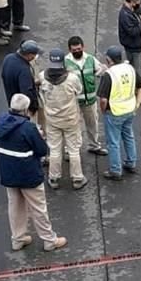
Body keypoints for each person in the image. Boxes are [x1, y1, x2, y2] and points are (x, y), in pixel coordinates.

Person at [0, 93, 67, 252]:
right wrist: (39, 135)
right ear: (26, 110)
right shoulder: (28, 127)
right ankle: (49, 240)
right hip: (28, 174)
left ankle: (17, 238)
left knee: (15, 206)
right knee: (39, 208)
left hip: (8, 173)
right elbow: (41, 150)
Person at [97, 45, 141, 181]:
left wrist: (103, 111)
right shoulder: (130, 69)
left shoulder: (109, 75)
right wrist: (137, 103)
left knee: (113, 142)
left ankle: (115, 170)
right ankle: (131, 162)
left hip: (114, 112)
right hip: (130, 109)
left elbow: (103, 99)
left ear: (108, 59)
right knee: (128, 136)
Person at [40, 49, 86, 190]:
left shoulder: (42, 76)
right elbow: (79, 91)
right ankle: (77, 178)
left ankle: (53, 178)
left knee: (54, 149)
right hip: (70, 118)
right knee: (73, 149)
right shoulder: (72, 78)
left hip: (52, 119)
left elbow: (41, 92)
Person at [65, 36, 108, 156]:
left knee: (93, 124)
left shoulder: (90, 59)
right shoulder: (65, 62)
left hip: (90, 100)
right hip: (74, 102)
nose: (77, 51)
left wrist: (103, 70)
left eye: (79, 49)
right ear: (69, 50)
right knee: (72, 127)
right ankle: (70, 151)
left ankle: (94, 146)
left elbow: (99, 71)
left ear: (83, 47)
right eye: (74, 50)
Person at [1, 39, 43, 118]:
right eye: (34, 54)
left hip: (12, 102)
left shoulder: (8, 58)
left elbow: (3, 75)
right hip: (22, 108)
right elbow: (27, 91)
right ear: (29, 55)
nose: (35, 57)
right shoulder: (24, 70)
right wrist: (33, 107)